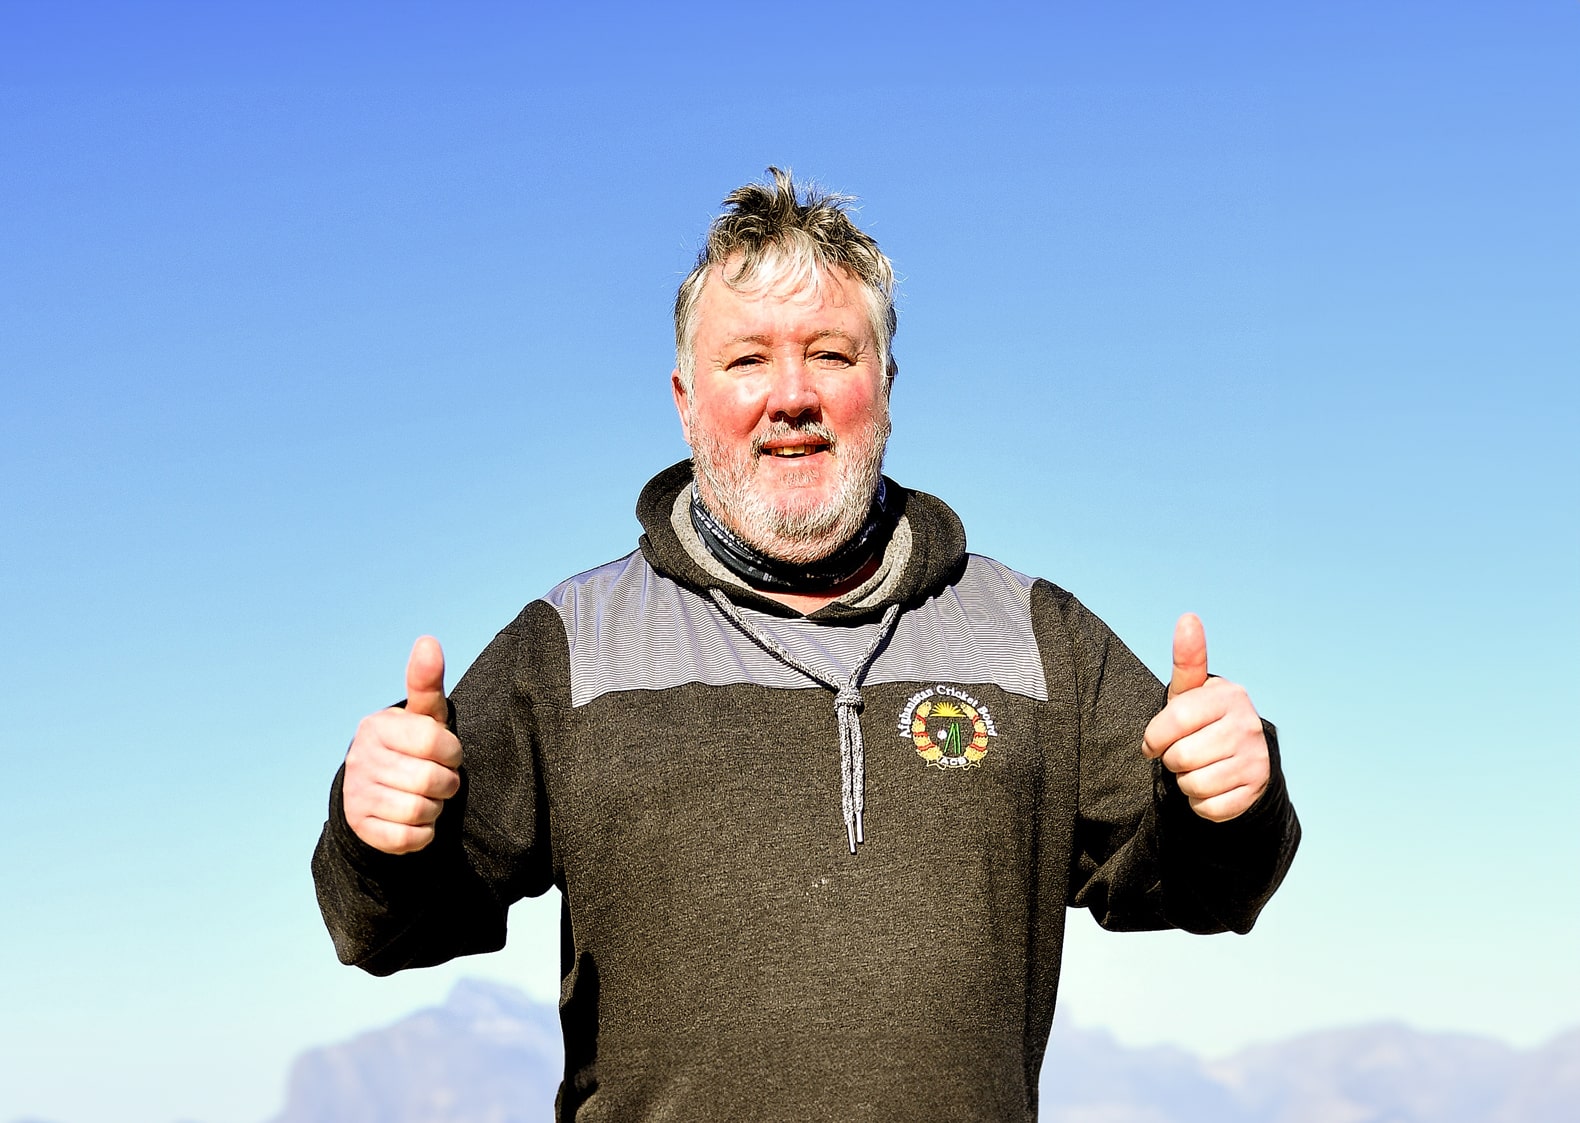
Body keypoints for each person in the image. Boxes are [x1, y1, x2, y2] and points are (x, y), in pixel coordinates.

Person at [313, 168, 1299, 1122]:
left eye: (830, 353)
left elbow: (1209, 884)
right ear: (685, 399)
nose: (792, 395)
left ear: (886, 384)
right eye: (746, 359)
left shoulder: (1034, 635)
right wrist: (376, 831)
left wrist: (1230, 798)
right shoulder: (571, 646)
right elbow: (385, 927)